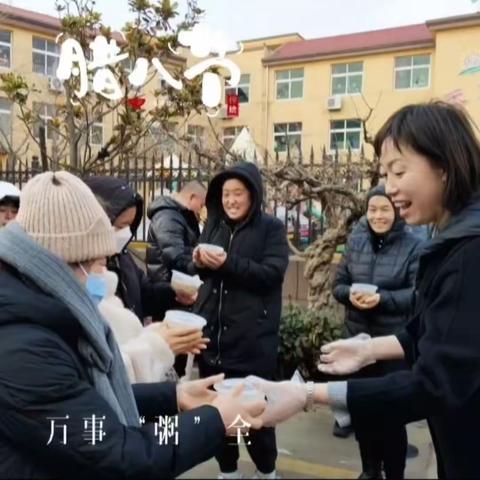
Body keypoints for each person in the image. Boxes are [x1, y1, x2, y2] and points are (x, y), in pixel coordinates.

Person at [249, 102, 480, 479]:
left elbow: (435, 384)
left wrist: (309, 395)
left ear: (444, 165)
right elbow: (433, 329)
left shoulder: (470, 252)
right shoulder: (451, 237)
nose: (389, 189)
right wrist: (368, 348)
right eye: (384, 173)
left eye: (399, 171)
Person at [0, 171, 266, 478]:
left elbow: (87, 400)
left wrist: (172, 398)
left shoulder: (39, 311)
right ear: (69, 261)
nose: (105, 274)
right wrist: (215, 420)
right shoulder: (23, 345)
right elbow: (121, 452)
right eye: (101, 262)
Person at [192, 162, 289, 480]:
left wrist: (227, 262)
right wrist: (200, 261)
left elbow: (271, 275)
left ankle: (266, 471)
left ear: (253, 195)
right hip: (213, 340)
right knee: (218, 414)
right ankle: (228, 471)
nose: (231, 200)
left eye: (238, 193)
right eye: (225, 194)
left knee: (255, 416)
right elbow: (205, 276)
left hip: (251, 343)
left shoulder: (271, 228)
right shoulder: (215, 225)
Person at [332, 184, 421, 479]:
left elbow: (418, 295)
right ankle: (369, 470)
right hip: (357, 341)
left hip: (392, 344)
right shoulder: (355, 241)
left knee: (391, 416)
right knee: (363, 411)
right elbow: (339, 284)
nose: (378, 215)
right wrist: (350, 295)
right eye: (372, 209)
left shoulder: (413, 246)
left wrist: (382, 298)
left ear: (395, 211)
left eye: (385, 209)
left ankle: (395, 472)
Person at [84, 176, 197, 323]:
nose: (126, 233)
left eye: (130, 226)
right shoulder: (82, 268)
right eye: (120, 226)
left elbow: (144, 294)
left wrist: (174, 293)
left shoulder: (123, 257)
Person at [147, 180, 206, 282]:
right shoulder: (168, 217)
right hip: (167, 285)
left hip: (173, 282)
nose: (201, 211)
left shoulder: (180, 216)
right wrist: (200, 258)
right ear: (192, 197)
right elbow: (175, 256)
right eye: (201, 205)